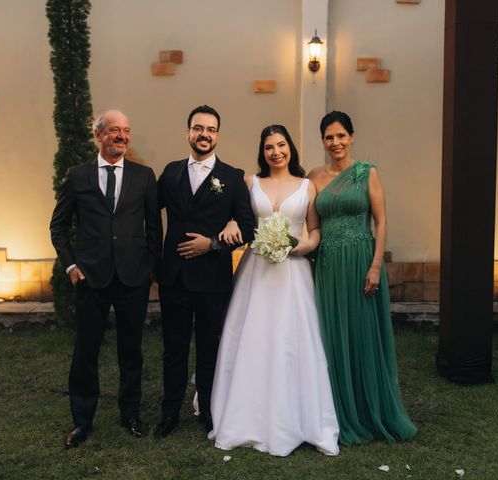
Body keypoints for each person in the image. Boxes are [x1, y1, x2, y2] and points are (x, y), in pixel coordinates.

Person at [208, 125, 339, 457]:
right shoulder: (250, 183)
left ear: (290, 148)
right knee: (253, 338)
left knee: (293, 341)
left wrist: (299, 247)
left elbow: (314, 230)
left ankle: (298, 418)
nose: (276, 152)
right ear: (262, 152)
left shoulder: (307, 186)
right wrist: (232, 224)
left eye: (281, 145)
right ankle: (244, 414)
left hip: (293, 272)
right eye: (269, 147)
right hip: (257, 270)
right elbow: (236, 217)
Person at [50, 110, 162, 449]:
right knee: (86, 350)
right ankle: (82, 421)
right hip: (90, 278)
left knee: (132, 351)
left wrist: (149, 270)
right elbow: (58, 226)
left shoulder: (144, 176)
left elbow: (155, 229)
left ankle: (130, 415)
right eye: (115, 130)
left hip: (132, 279)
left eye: (127, 131)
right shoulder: (78, 176)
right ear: (99, 136)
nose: (122, 137)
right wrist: (71, 267)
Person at [308, 111, 417, 445]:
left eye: (341, 135)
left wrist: (375, 266)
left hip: (360, 263)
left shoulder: (367, 173)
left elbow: (381, 222)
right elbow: (312, 226)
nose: (336, 142)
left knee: (361, 334)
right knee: (332, 337)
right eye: (329, 137)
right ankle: (338, 413)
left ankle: (371, 411)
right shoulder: (313, 176)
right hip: (327, 266)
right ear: (323, 141)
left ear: (351, 137)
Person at [155, 105, 256, 438]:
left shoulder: (231, 177)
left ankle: (210, 411)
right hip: (174, 278)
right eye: (198, 128)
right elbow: (147, 215)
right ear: (188, 132)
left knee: (210, 347)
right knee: (174, 348)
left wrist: (212, 244)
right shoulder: (169, 173)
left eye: (211, 129)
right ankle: (169, 413)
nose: (204, 134)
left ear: (217, 135)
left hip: (213, 279)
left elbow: (248, 225)